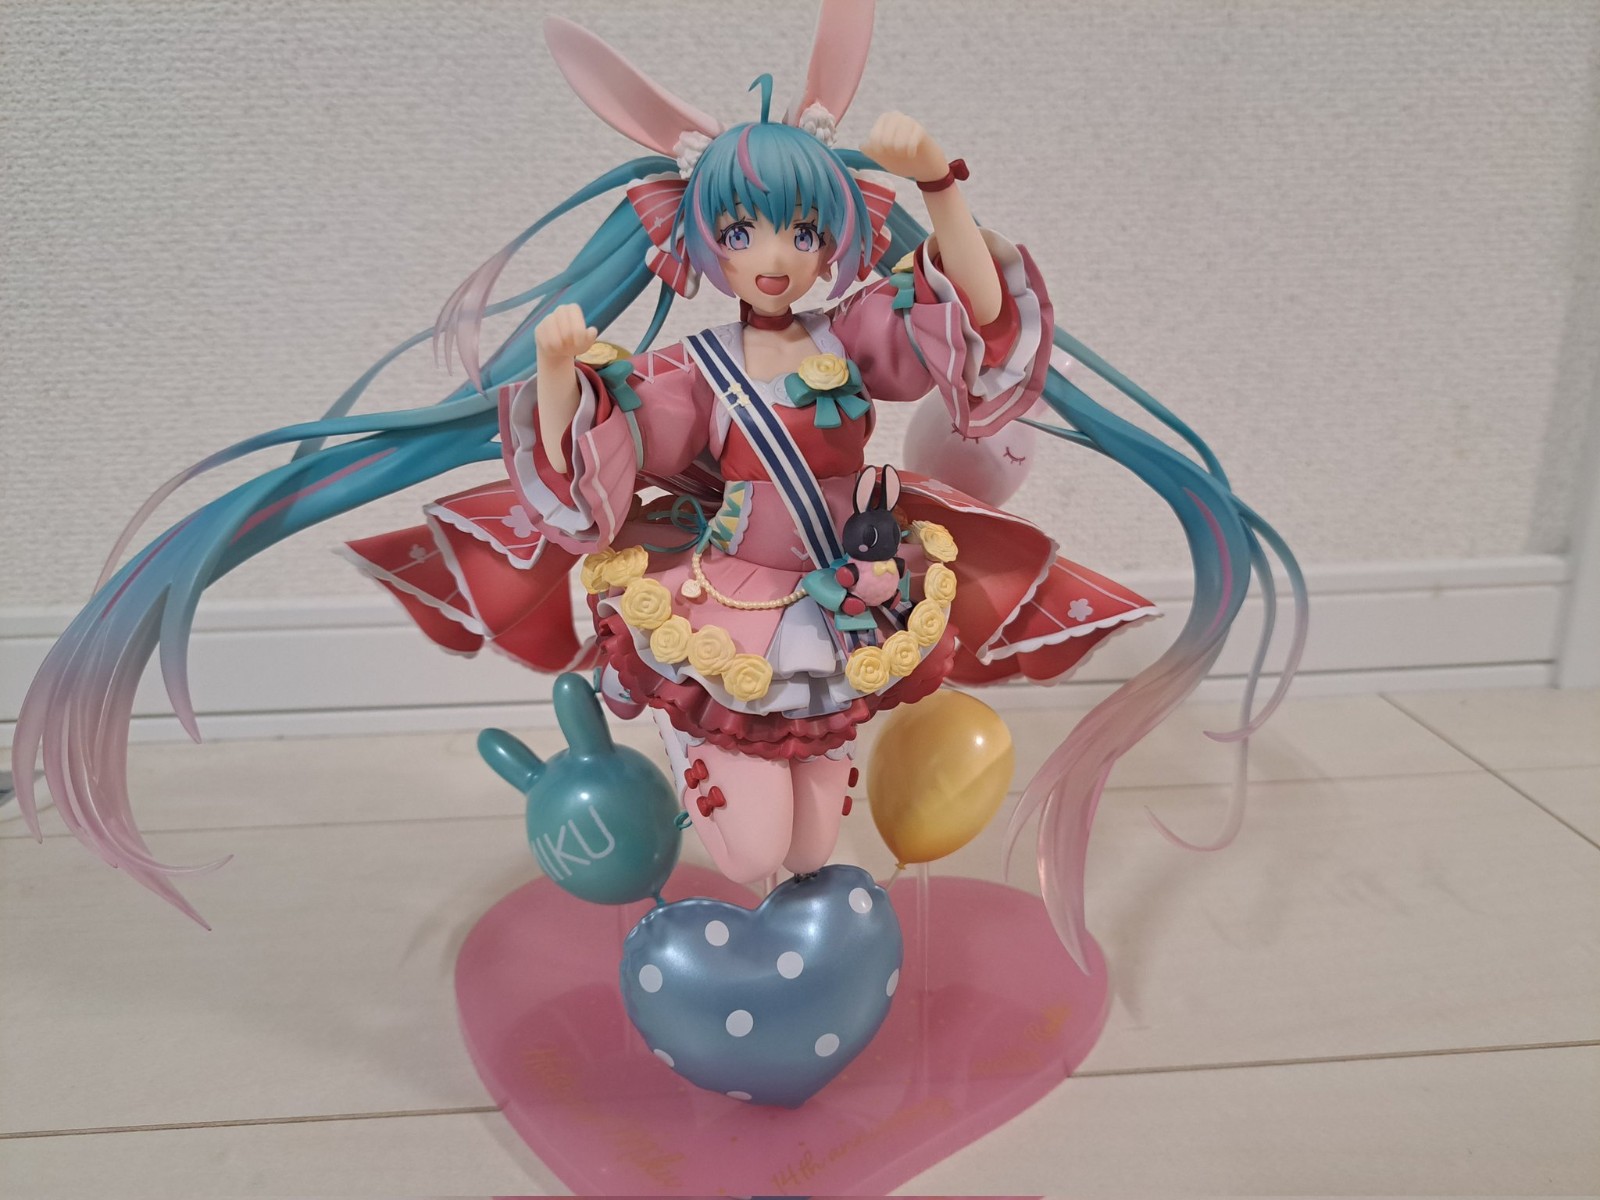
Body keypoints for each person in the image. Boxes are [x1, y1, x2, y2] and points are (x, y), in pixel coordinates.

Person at [14, 2, 1305, 970]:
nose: (773, 255)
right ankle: (694, 754)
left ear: (834, 234)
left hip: (848, 594)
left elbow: (974, 329)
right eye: (742, 231)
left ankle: (801, 943)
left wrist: (939, 191)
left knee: (815, 844)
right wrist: (562, 375)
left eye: (799, 230)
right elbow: (598, 469)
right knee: (749, 847)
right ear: (701, 241)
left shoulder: (859, 334)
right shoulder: (690, 373)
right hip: (738, 601)